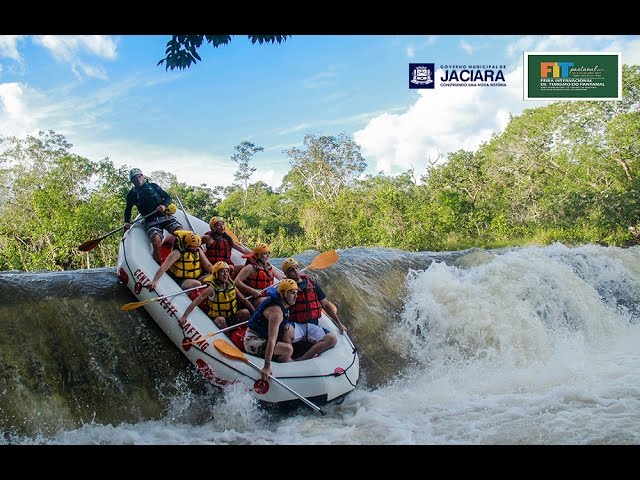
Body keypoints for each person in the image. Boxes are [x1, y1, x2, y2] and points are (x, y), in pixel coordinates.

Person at [280, 257, 347, 361]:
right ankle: (288, 359)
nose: (295, 271)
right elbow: (280, 308)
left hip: (313, 325)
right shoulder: (284, 287)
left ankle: (303, 359)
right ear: (286, 273)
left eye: (296, 268)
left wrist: (339, 323)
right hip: (297, 325)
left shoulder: (311, 283)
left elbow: (325, 304)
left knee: (332, 339)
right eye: (291, 270)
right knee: (286, 332)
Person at [244, 279, 299, 381]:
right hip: (252, 341)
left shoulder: (282, 304)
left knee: (288, 333)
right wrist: (267, 366)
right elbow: (271, 339)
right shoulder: (276, 312)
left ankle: (285, 362)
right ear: (283, 294)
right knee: (288, 349)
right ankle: (277, 364)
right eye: (292, 293)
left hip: (261, 337)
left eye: (296, 293)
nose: (296, 296)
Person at [124, 167, 183, 263]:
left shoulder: (153, 186)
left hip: (165, 216)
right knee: (156, 242)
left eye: (139, 177)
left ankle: (179, 258)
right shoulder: (131, 194)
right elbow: (128, 210)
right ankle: (158, 266)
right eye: (135, 178)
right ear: (132, 181)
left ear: (142, 176)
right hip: (151, 221)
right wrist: (126, 221)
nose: (138, 179)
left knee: (182, 234)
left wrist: (164, 206)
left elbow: (167, 198)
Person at [179, 261, 254, 329]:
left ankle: (237, 329)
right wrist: (184, 316)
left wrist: (255, 312)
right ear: (216, 274)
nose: (225, 274)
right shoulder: (211, 289)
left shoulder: (231, 285)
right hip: (217, 317)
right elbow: (195, 302)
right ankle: (226, 336)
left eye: (227, 271)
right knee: (221, 320)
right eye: (222, 272)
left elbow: (244, 300)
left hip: (231, 316)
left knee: (245, 312)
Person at [148, 230, 214, 291]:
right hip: (181, 279)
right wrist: (154, 281)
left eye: (196, 246)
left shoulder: (198, 250)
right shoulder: (177, 253)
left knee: (214, 278)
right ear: (186, 244)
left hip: (197, 276)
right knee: (197, 284)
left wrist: (217, 272)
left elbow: (208, 265)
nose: (194, 249)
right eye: (192, 246)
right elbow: (164, 267)